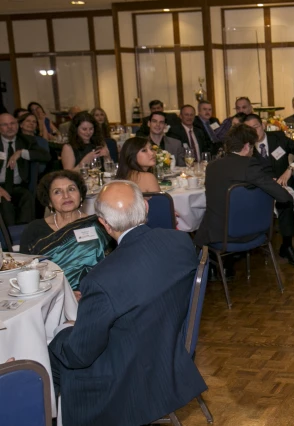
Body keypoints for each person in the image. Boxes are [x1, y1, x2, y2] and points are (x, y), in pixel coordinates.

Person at [48, 181, 207, 426]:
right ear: (145, 206)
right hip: (169, 351)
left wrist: (63, 333)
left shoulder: (101, 279)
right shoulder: (181, 242)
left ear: (104, 224)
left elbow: (80, 355)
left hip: (128, 377)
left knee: (55, 348)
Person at [195, 124, 294, 271]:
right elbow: (284, 196)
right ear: (247, 146)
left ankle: (216, 268)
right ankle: (286, 245)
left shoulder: (212, 166)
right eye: (253, 147)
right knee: (285, 200)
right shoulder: (249, 165)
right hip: (245, 232)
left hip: (214, 234)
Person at [19, 170, 109, 292]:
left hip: (94, 293)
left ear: (81, 195)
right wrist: (66, 294)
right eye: (57, 192)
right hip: (50, 295)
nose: (66, 196)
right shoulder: (34, 229)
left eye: (71, 189)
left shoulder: (99, 225)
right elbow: (26, 272)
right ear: (49, 201)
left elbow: (111, 267)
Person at [0, 113, 50, 225]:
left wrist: (21, 152)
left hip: (18, 186)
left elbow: (46, 156)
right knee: (5, 203)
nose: (10, 127)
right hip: (0, 186)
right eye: (5, 124)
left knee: (27, 197)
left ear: (17, 125)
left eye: (12, 123)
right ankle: (10, 238)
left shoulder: (26, 140)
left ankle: (25, 233)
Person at [244, 114, 294, 187]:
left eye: (255, 127)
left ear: (263, 126)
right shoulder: (245, 148)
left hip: (286, 187)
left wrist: (290, 168)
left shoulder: (278, 138)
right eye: (249, 130)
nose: (253, 132)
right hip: (262, 191)